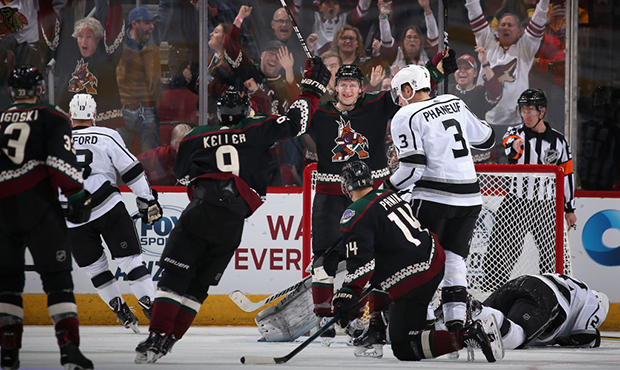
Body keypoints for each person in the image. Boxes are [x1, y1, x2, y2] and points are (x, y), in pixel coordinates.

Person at [133, 57, 331, 363]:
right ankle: (171, 339)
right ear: (246, 110)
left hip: (200, 212)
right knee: (198, 287)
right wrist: (312, 88)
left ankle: (156, 335)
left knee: (173, 279)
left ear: (219, 113)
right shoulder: (257, 128)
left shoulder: (195, 136)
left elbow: (184, 176)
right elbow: (295, 121)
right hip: (232, 225)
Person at [307, 51, 456, 345]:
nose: (348, 89)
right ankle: (325, 319)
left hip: (371, 197)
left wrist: (436, 69)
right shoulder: (319, 112)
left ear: (361, 88)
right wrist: (310, 82)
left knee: (378, 258)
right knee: (323, 258)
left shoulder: (376, 105)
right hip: (329, 196)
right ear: (335, 87)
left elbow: (411, 89)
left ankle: (373, 321)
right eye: (343, 84)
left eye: (353, 85)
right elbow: (292, 115)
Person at [331, 160, 503, 362]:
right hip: (434, 258)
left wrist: (348, 295)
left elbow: (363, 267)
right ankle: (425, 327)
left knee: (404, 347)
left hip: (414, 277)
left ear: (346, 186)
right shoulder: (387, 195)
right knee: (398, 299)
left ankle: (468, 335)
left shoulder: (354, 213)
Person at [385, 64, 495, 332]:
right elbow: (487, 139)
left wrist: (385, 188)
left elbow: (413, 168)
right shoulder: (453, 101)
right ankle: (457, 324)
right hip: (470, 198)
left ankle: (421, 322)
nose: (399, 99)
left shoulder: (405, 114)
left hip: (434, 198)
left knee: (422, 259)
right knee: (455, 258)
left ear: (409, 90)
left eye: (400, 92)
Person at [0, 66, 93, 370]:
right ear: (39, 89)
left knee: (7, 284)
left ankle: (8, 352)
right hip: (38, 206)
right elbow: (59, 162)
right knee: (57, 280)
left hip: (2, 211)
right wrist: (77, 196)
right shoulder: (51, 116)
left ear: (13, 92)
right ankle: (69, 350)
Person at [63, 93, 163, 333]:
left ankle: (120, 310)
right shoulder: (106, 135)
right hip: (107, 206)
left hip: (72, 216)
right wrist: (146, 199)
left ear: (70, 116)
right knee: (130, 260)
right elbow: (131, 170)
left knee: (96, 269)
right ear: (95, 116)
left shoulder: (57, 141)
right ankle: (150, 306)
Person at [483, 88, 577, 290]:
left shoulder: (559, 141)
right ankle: (492, 294)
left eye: (530, 111)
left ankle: (554, 293)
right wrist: (515, 145)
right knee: (501, 250)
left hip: (546, 204)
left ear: (542, 111)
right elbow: (508, 144)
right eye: (523, 110)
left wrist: (569, 209)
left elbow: (567, 175)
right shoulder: (514, 134)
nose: (526, 115)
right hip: (515, 202)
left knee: (553, 253)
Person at [464, 0, 549, 161]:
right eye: (502, 25)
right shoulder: (488, 44)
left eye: (510, 25)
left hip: (514, 124)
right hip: (484, 123)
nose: (505, 27)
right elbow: (475, 12)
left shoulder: (525, 48)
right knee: (484, 172)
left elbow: (538, 21)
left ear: (519, 32)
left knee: (512, 169)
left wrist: (544, 2)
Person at [39, 0, 126, 129]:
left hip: (102, 123)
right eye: (80, 36)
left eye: (89, 36)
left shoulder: (106, 53)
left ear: (97, 38)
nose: (83, 41)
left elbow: (114, 25)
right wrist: (44, 3)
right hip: (70, 122)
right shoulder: (67, 52)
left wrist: (114, 4)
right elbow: (49, 29)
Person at [467, 274, 609, 349]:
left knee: (474, 323)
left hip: (523, 282)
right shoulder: (596, 302)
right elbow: (584, 336)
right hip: (544, 295)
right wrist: (595, 339)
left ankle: (467, 308)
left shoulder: (578, 289)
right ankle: (479, 309)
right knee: (516, 338)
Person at [116, 2, 173, 154]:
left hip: (147, 107)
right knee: (117, 156)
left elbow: (166, 10)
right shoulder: (118, 41)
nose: (152, 26)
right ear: (134, 24)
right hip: (123, 108)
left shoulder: (153, 37)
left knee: (151, 158)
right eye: (147, 23)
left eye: (152, 23)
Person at [449, 49, 503, 163]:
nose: (462, 71)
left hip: (479, 156)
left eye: (467, 68)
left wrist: (485, 63)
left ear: (475, 73)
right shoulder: (447, 91)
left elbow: (496, 90)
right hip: (452, 155)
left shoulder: (480, 92)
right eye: (459, 68)